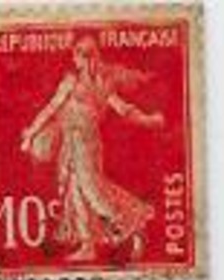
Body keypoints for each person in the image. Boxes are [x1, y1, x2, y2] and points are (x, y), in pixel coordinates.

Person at [20, 36, 165, 262]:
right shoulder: (95, 83)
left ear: (82, 57)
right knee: (74, 191)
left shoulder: (82, 82)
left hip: (84, 142)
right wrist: (149, 120)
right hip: (75, 141)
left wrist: (148, 120)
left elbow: (52, 108)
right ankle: (88, 245)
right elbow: (122, 110)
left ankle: (127, 225)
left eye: (77, 56)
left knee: (92, 189)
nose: (75, 61)